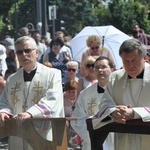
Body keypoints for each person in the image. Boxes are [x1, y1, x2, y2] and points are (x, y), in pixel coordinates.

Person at [0, 36, 64, 150]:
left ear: (37, 52)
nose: (24, 54)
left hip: (41, 135)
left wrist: (30, 113)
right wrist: (4, 112)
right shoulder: (12, 79)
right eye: (19, 52)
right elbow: (5, 102)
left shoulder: (53, 74)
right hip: (17, 135)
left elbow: (53, 100)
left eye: (27, 50)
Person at [92, 38, 150, 150]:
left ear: (145, 58)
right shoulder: (115, 77)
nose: (130, 65)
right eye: (126, 61)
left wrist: (134, 113)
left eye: (134, 60)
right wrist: (114, 113)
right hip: (123, 138)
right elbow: (104, 104)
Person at [71, 56, 115, 150]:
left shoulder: (120, 91)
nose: (100, 70)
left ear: (112, 69)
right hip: (92, 142)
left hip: (117, 141)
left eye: (103, 67)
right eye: (97, 68)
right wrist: (95, 134)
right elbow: (77, 120)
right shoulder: (85, 94)